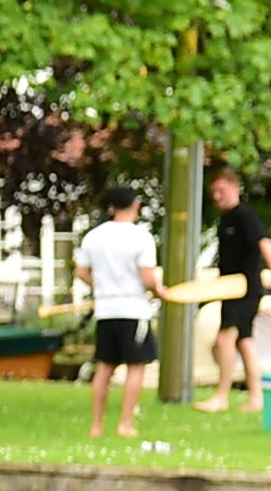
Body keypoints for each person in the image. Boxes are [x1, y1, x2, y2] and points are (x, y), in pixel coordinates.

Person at [76, 186, 175, 437]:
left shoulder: (93, 236)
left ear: (111, 206)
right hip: (133, 309)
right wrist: (159, 290)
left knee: (105, 367)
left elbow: (81, 272)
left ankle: (96, 426)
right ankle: (125, 424)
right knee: (136, 365)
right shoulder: (140, 237)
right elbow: (148, 278)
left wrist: (101, 287)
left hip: (106, 310)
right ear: (136, 205)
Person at [197, 166, 271, 413]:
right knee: (244, 341)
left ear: (234, 187)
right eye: (214, 192)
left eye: (221, 190)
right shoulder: (227, 219)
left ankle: (221, 396)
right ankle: (256, 398)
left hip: (243, 289)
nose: (216, 196)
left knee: (224, 339)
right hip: (230, 289)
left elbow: (264, 242)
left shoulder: (245, 216)